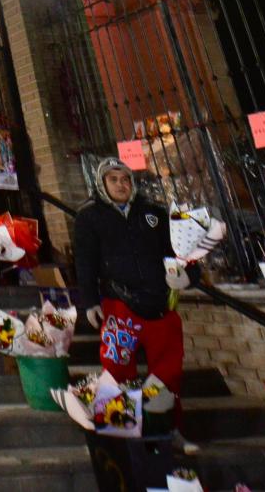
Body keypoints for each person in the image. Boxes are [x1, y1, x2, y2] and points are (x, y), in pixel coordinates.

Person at [72, 157, 184, 396]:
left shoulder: (153, 212)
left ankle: (166, 422)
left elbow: (175, 250)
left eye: (125, 179)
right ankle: (123, 421)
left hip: (159, 301)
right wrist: (90, 301)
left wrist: (186, 275)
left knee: (168, 369)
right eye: (113, 179)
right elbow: (85, 261)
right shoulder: (89, 217)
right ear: (102, 183)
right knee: (117, 368)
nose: (120, 185)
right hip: (119, 303)